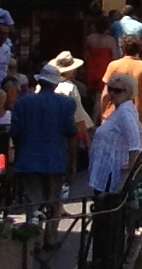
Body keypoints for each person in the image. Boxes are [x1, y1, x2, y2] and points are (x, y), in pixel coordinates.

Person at [9, 53, 90, 214]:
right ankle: (50, 237)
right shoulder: (65, 103)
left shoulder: (22, 102)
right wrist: (72, 162)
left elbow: (15, 134)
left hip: (28, 160)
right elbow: (71, 135)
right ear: (55, 84)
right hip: (55, 161)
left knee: (33, 205)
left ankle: (34, 234)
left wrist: (19, 156)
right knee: (54, 202)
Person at [87, 69, 142, 199]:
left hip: (112, 169)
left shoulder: (124, 113)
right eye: (110, 89)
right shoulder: (122, 109)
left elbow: (135, 141)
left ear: (129, 92)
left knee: (105, 206)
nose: (112, 93)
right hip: (106, 167)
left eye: (118, 90)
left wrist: (130, 164)